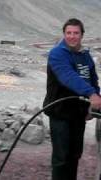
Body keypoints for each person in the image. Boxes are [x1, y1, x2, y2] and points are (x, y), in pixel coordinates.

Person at [43, 18, 101, 180]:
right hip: (60, 112)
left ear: (82, 35)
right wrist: (91, 94)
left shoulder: (85, 55)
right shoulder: (57, 53)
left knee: (75, 155)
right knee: (61, 158)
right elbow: (68, 76)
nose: (72, 36)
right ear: (64, 34)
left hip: (78, 113)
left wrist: (94, 103)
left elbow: (93, 79)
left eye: (76, 33)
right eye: (69, 33)